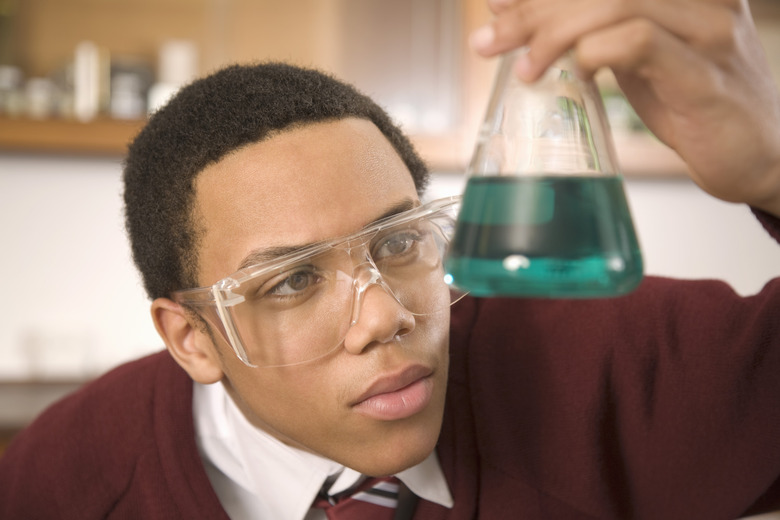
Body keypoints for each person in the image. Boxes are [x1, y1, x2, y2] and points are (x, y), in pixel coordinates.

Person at [1, 0, 779, 518]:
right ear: (191, 339)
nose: (385, 317)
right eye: (295, 280)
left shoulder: (595, 358)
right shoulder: (68, 479)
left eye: (400, 242)